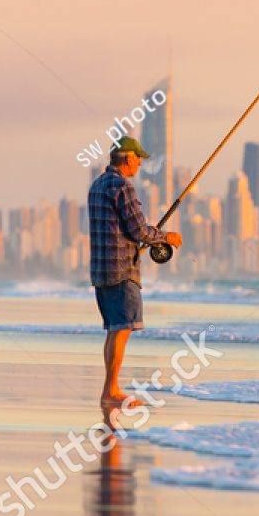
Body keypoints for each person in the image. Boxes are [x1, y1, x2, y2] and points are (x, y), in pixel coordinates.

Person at [87, 136, 182, 417]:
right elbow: (139, 231)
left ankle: (110, 389)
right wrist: (168, 237)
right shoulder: (121, 186)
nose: (140, 163)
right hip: (121, 271)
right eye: (138, 158)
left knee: (115, 329)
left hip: (102, 271)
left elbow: (123, 228)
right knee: (122, 328)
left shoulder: (97, 185)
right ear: (128, 158)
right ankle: (111, 391)